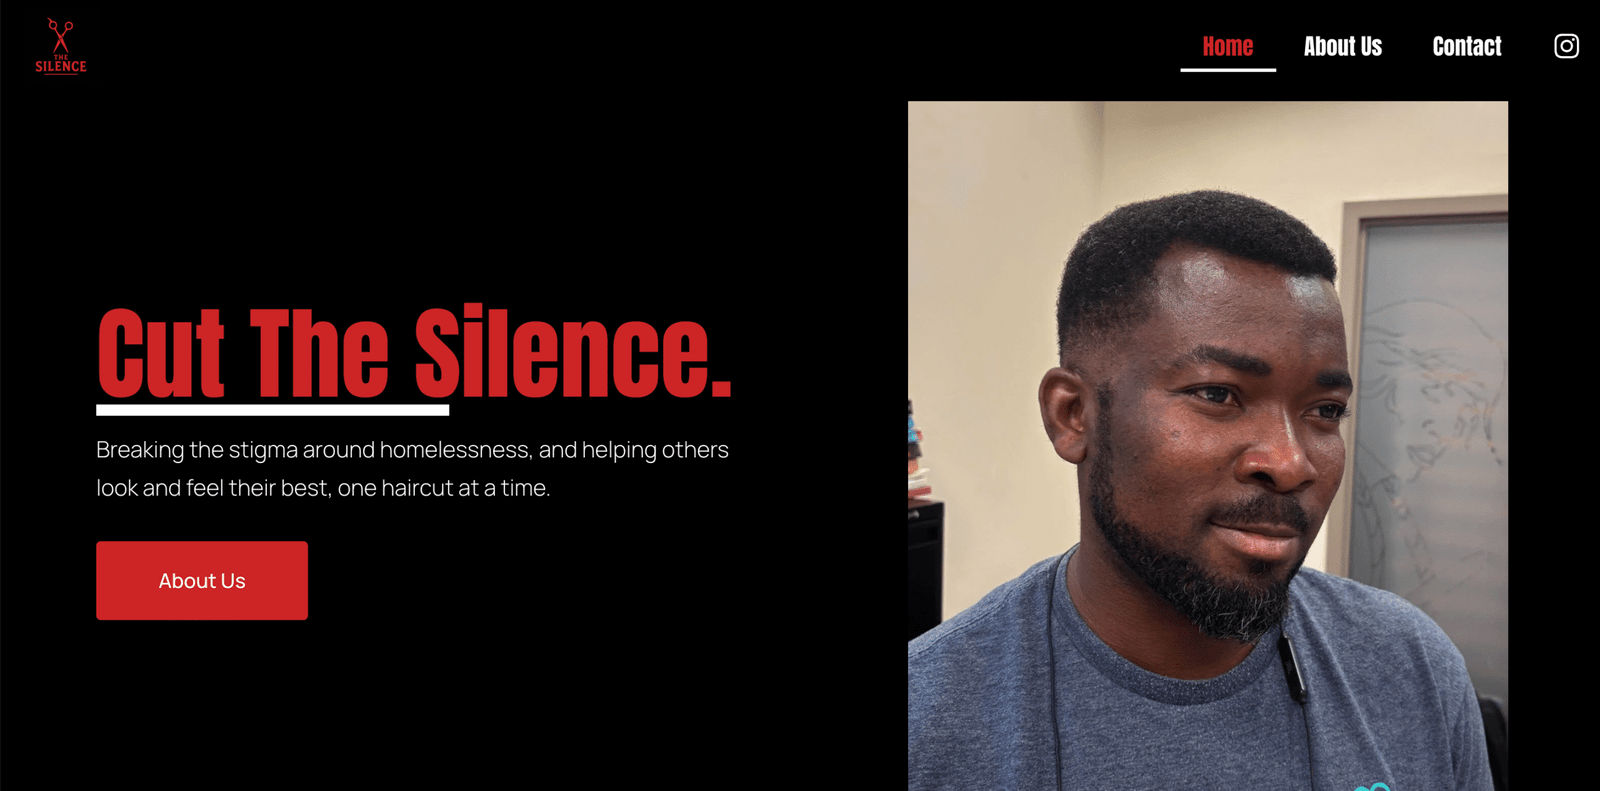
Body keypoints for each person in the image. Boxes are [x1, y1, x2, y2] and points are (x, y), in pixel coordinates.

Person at [908, 191, 1493, 790]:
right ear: (1073, 414)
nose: (1291, 463)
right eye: (1218, 394)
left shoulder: (1409, 667)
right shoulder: (929, 725)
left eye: (1324, 410)